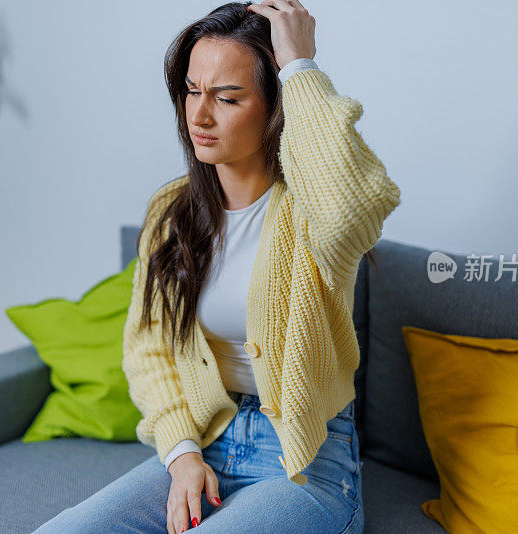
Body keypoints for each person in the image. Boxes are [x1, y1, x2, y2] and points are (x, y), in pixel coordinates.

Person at [32, 1, 401, 532]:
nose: (199, 115)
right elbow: (149, 348)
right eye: (191, 90)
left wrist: (298, 63)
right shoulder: (170, 211)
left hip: (305, 465)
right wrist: (181, 452)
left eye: (227, 97)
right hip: (206, 443)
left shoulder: (312, 215)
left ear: (275, 105)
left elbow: (353, 204)